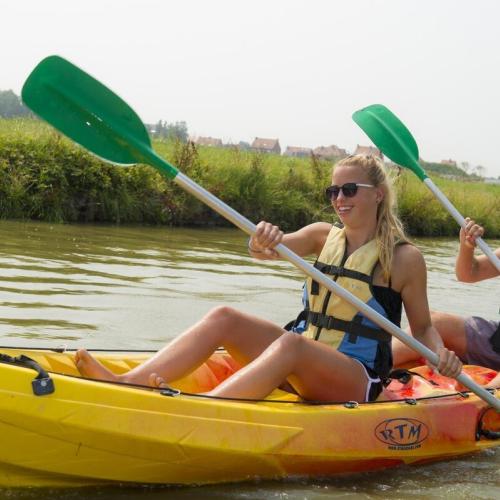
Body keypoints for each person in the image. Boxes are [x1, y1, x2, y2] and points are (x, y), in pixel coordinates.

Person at [75, 154, 461, 403]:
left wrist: (440, 353)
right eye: (333, 191)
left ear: (377, 194)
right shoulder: (320, 236)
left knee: (292, 345)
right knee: (225, 316)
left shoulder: (405, 258)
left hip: (355, 379)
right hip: (302, 363)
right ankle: (130, 384)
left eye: (349, 190)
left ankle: (208, 409)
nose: (339, 199)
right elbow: (263, 251)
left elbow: (423, 328)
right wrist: (261, 240)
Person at [392, 218, 500, 388]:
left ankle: (483, 401)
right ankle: (370, 368)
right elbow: (468, 274)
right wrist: (467, 246)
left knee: (487, 397)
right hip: (496, 339)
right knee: (435, 322)